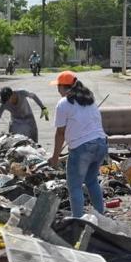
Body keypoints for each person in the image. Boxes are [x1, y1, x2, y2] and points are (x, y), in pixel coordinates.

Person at [49, 71, 109, 217]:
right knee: (91, 181)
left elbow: (60, 133)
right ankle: (100, 216)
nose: (57, 90)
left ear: (64, 87)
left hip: (83, 148)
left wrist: (55, 157)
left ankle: (77, 221)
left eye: (58, 87)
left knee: (74, 186)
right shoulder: (89, 99)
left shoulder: (63, 103)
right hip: (101, 144)